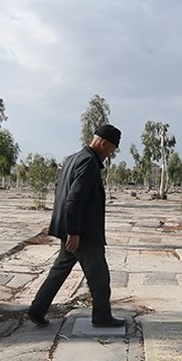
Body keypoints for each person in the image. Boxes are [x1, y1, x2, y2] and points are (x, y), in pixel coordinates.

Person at [27, 124, 125, 328]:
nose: (109, 155)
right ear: (102, 143)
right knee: (99, 277)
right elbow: (74, 199)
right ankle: (102, 316)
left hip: (70, 229)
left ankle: (37, 310)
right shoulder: (88, 163)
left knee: (59, 271)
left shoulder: (73, 159)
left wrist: (68, 229)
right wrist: (74, 231)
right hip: (83, 234)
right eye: (110, 150)